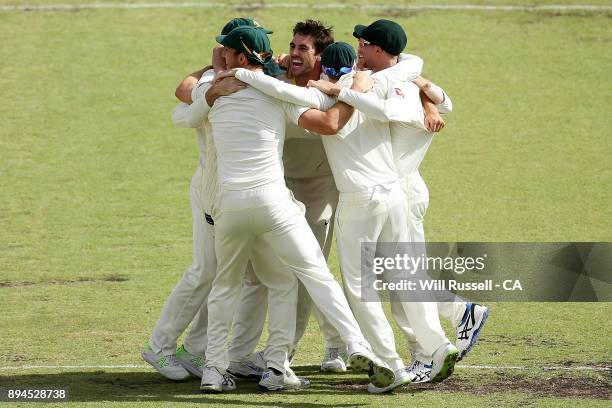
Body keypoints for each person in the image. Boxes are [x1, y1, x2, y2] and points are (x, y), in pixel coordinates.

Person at [190, 26, 394, 393]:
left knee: (227, 286)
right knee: (314, 274)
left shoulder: (214, 97)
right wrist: (351, 91)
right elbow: (326, 118)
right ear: (262, 58)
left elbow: (185, 114)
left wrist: (219, 81)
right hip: (274, 203)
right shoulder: (279, 95)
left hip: (230, 209)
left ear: (234, 57)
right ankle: (354, 345)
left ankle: (214, 371)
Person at [312, 18, 488, 383]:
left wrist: (333, 87)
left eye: (365, 42)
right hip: (395, 190)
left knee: (386, 282)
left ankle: (423, 350)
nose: (359, 45)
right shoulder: (400, 76)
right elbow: (418, 72)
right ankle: (440, 339)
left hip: (394, 192)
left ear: (378, 49)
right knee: (402, 275)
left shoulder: (380, 88)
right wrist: (428, 96)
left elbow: (375, 105)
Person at [140, 17, 274, 381]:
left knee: (230, 276)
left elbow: (183, 101)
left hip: (242, 190)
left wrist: (215, 71)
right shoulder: (213, 83)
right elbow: (183, 103)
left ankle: (193, 350)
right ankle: (160, 345)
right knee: (207, 271)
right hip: (212, 190)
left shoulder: (249, 77)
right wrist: (212, 75)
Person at [226, 19, 349, 376]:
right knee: (267, 271)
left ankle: (302, 352)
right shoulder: (274, 80)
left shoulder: (330, 91)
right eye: (292, 46)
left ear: (320, 57)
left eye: (303, 49)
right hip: (279, 188)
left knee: (310, 269)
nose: (294, 54)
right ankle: (253, 353)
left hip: (320, 188)